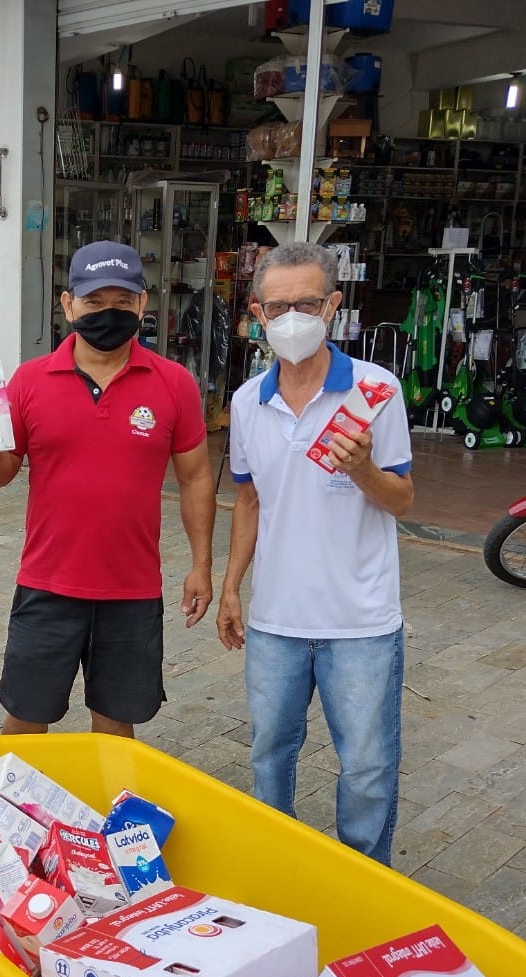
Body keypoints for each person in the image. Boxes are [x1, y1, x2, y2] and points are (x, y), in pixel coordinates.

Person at [0, 240, 216, 738]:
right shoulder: (29, 382)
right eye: (94, 301)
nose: (108, 313)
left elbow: (195, 477)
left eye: (122, 301)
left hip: (132, 590)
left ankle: (108, 793)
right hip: (47, 585)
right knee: (25, 716)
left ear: (142, 304)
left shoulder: (174, 383)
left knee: (116, 723)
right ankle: (14, 793)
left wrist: (201, 566)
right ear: (68, 304)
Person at [215, 243, 413, 865]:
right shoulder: (248, 402)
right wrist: (231, 587)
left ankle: (366, 881)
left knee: (367, 766)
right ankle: (279, 869)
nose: (292, 317)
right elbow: (249, 500)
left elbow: (402, 499)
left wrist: (362, 470)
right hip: (276, 620)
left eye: (307, 302)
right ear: (257, 314)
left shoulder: (375, 391)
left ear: (333, 306)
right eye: (278, 307)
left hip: (360, 621)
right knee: (270, 755)